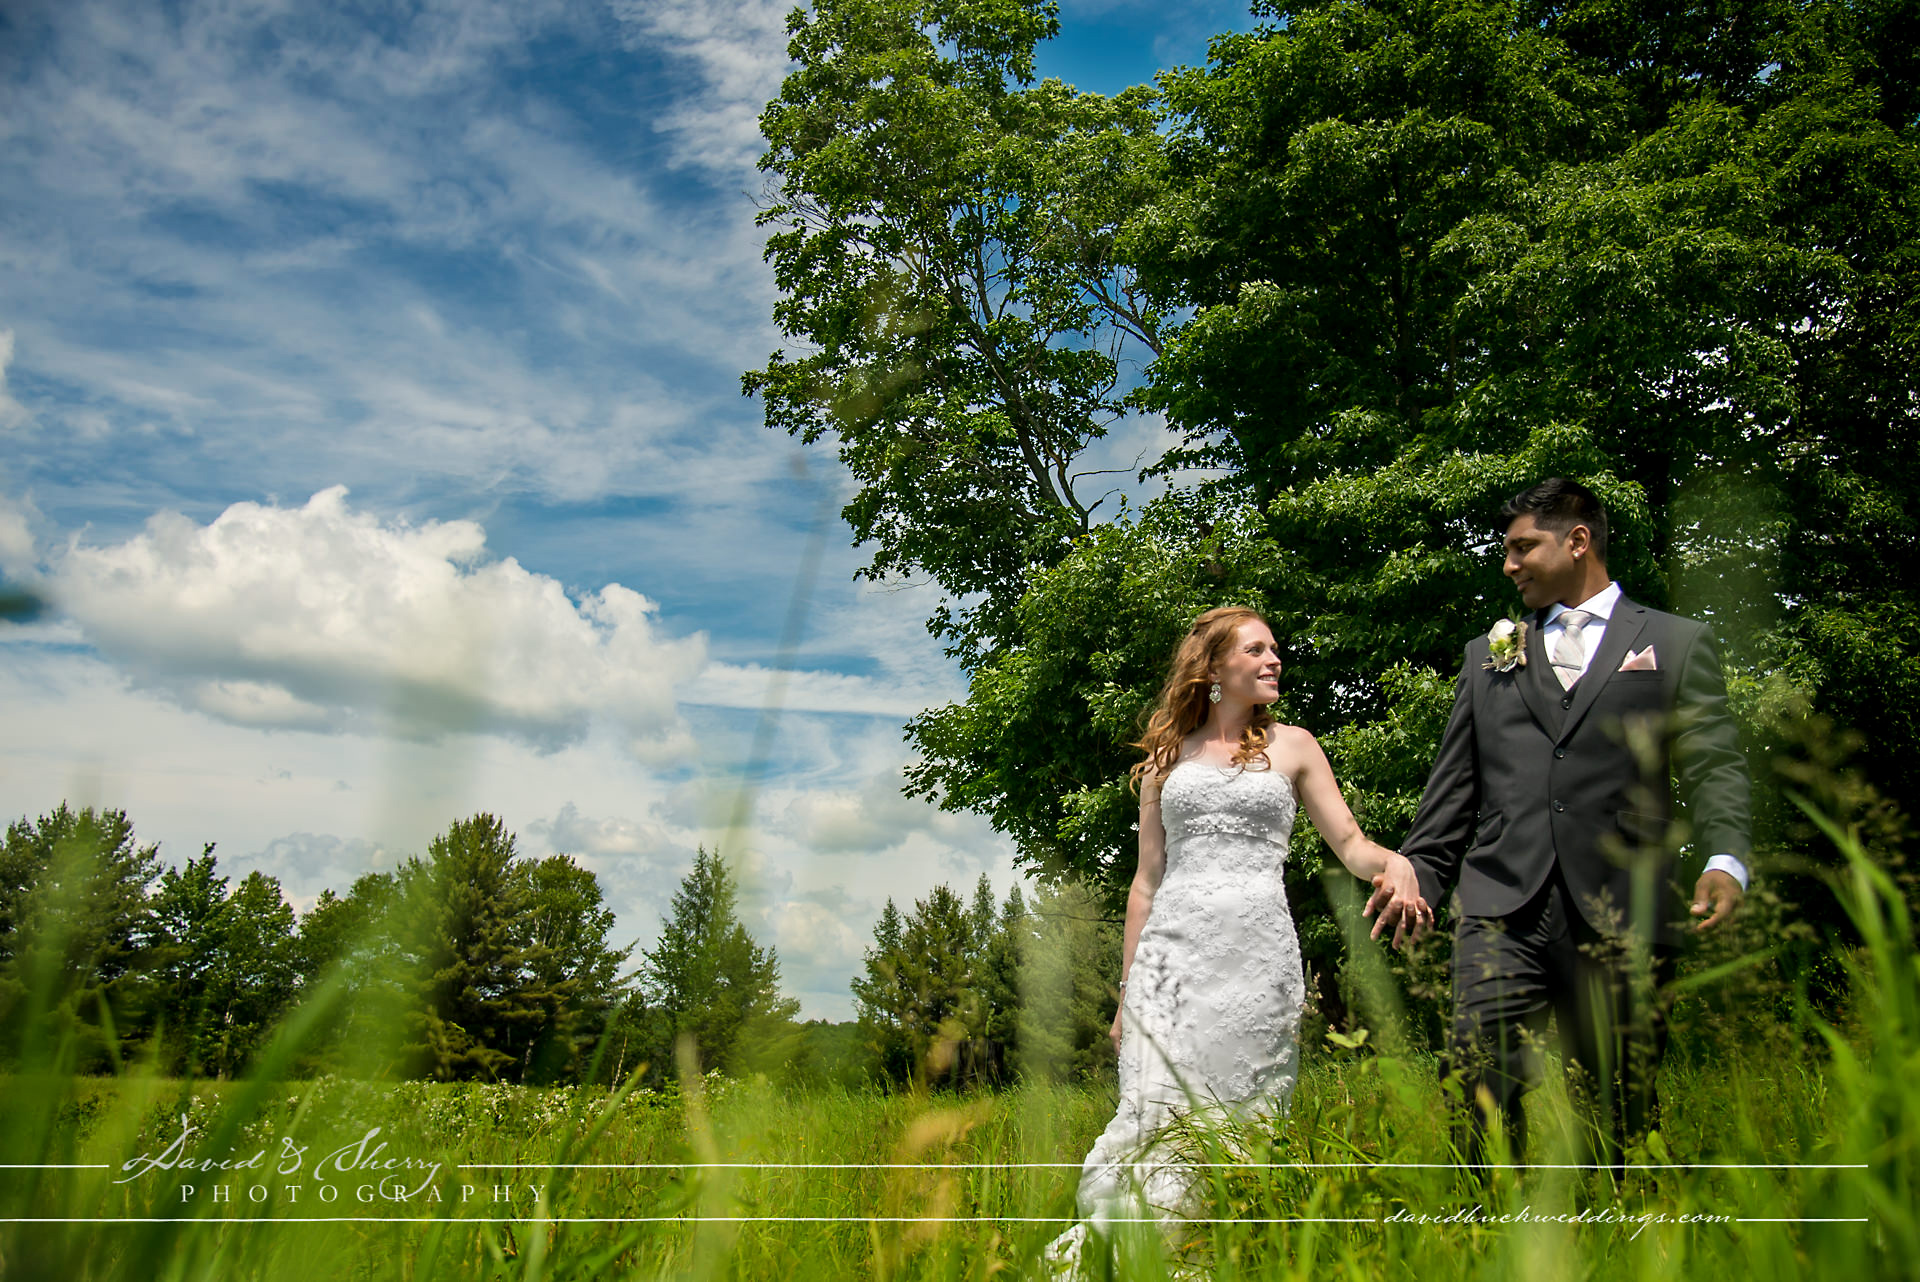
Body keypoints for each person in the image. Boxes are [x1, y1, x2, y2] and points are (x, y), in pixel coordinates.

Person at [1375, 477, 1750, 1177]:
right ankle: (1481, 1226)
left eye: (1523, 547)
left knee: (1617, 1107)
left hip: (1624, 902)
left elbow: (1715, 765)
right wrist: (1419, 875)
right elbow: (1455, 787)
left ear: (1577, 541)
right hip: (1500, 904)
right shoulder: (1489, 653)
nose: (1509, 564)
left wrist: (1725, 858)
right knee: (1476, 1088)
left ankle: (1616, 1226)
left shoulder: (1675, 642)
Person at [1047, 606, 1431, 1269]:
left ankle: (1219, 1258)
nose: (1274, 660)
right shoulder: (1166, 759)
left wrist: (1394, 864)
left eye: (1274, 649)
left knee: (1243, 1115)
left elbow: (1351, 845)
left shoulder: (1296, 746)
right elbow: (1145, 883)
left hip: (1256, 960)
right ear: (1214, 667)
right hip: (1170, 962)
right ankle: (1133, 1260)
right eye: (1256, 650)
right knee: (1157, 1112)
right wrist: (1126, 995)